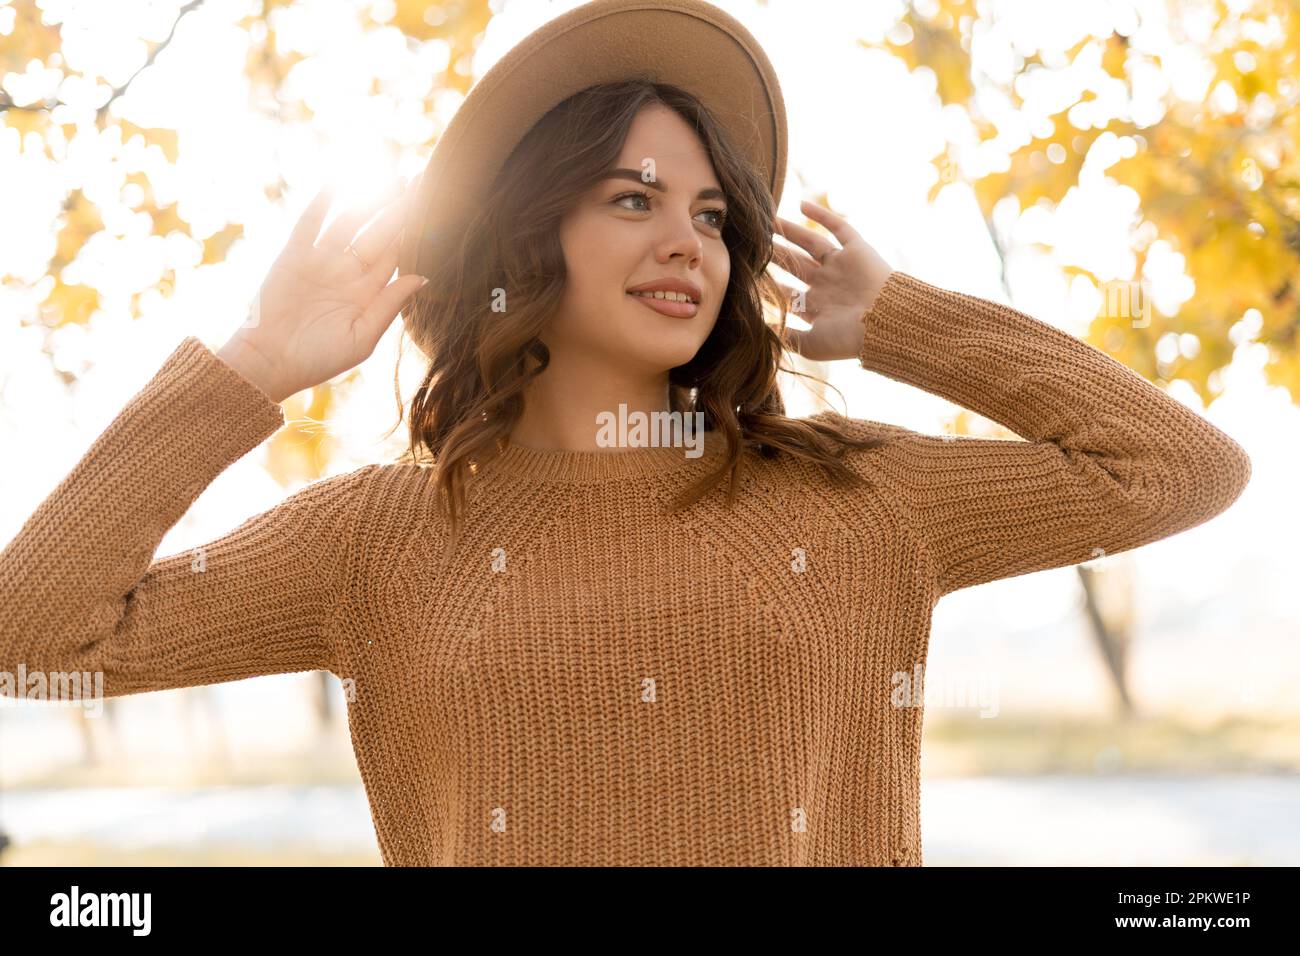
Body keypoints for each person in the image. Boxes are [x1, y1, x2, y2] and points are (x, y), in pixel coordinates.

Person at [0, 0, 1251, 866]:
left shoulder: (853, 496)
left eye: (711, 213)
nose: (686, 242)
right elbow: (29, 634)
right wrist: (251, 366)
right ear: (531, 232)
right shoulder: (376, 536)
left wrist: (904, 321)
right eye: (632, 198)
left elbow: (1178, 468)